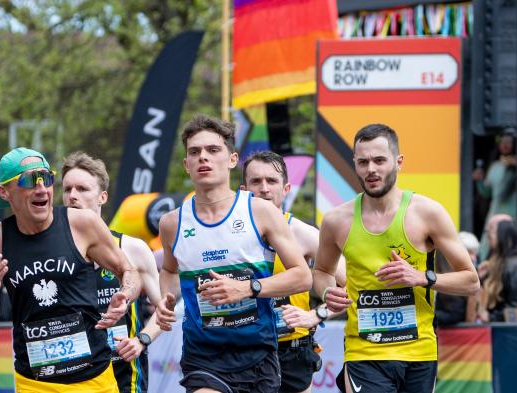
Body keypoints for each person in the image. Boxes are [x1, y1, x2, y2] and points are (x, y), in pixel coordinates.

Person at [312, 124, 479, 393]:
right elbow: (321, 271)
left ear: (398, 162)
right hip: (364, 351)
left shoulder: (427, 213)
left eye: (379, 160)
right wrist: (328, 291)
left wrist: (422, 277)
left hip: (419, 352)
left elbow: (471, 281)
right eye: (363, 162)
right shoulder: (336, 220)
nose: (371, 170)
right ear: (354, 163)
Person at [154, 115, 311, 393]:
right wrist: (164, 298)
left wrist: (248, 288)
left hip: (257, 354)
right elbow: (168, 269)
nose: (203, 157)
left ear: (231, 159)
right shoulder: (172, 224)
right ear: (186, 165)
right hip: (203, 356)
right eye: (195, 152)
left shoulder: (261, 212)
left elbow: (302, 277)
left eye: (213, 150)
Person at [0, 147, 142, 393]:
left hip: (94, 379)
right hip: (35, 383)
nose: (41, 188)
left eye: (47, 178)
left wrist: (125, 295)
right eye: (29, 181)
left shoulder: (82, 224)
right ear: (4, 192)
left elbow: (129, 271)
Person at [61, 151, 169, 393]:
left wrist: (141, 340)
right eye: (67, 190)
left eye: (82, 189)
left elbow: (165, 312)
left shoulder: (133, 248)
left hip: (123, 377)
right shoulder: (52, 255)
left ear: (102, 196)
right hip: (71, 378)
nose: (73, 196)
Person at [241, 151, 346, 393]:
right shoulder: (229, 237)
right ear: (243, 189)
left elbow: (355, 284)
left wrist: (317, 314)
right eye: (256, 182)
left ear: (286, 188)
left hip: (292, 350)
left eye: (272, 181)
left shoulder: (303, 233)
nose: (264, 189)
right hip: (243, 348)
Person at [473, 131, 517, 260]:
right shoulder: (495, 166)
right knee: (488, 244)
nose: (505, 145)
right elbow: (486, 192)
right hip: (495, 211)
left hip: (513, 212)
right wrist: (479, 181)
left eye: (509, 142)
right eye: (502, 142)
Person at [482, 221, 517, 322]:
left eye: (495, 231)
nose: (490, 234)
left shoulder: (515, 266)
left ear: (505, 238)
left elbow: (515, 304)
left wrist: (492, 317)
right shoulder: (499, 261)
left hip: (507, 329)